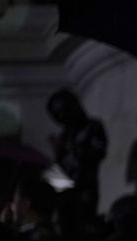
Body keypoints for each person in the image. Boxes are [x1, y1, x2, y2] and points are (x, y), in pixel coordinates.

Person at [46, 88, 108, 230]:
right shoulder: (66, 134)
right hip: (65, 192)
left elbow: (98, 153)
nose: (62, 117)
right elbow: (59, 167)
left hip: (84, 189)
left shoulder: (92, 127)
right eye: (57, 114)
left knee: (83, 227)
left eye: (63, 111)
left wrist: (73, 148)